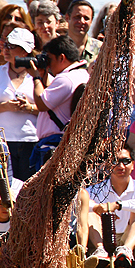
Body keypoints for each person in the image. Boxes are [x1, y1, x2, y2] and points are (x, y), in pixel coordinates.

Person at [82, 148, 135, 268]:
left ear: (133, 165)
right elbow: (78, 202)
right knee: (89, 211)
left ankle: (126, 250)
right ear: (108, 166)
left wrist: (118, 205)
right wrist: (97, 207)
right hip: (102, 238)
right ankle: (101, 250)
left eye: (126, 161)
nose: (121, 166)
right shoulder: (96, 190)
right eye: (115, 161)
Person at [0, 28, 39, 180]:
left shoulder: (39, 74)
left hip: (31, 139)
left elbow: (50, 105)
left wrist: (30, 108)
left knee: (27, 188)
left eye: (12, 46)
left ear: (25, 51)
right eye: (6, 45)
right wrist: (4, 107)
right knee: (5, 188)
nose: (6, 49)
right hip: (2, 141)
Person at [28, 35, 90, 172]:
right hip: (65, 142)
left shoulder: (66, 79)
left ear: (61, 58)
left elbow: (41, 103)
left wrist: (36, 77)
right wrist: (43, 75)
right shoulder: (82, 74)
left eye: (49, 59)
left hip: (54, 145)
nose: (48, 64)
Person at [64, 0, 101, 66]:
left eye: (86, 18)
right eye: (77, 17)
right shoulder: (54, 48)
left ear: (91, 21)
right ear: (67, 18)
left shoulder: (101, 50)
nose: (82, 21)